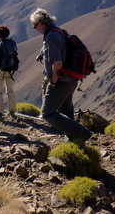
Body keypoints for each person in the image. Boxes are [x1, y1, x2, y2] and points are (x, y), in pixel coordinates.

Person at [30, 8, 92, 144]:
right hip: (71, 79)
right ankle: (74, 140)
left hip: (61, 80)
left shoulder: (51, 36)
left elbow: (57, 62)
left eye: (35, 25)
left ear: (42, 23)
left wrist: (53, 79)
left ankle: (82, 133)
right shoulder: (58, 31)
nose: (35, 28)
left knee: (48, 113)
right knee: (65, 109)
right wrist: (42, 53)